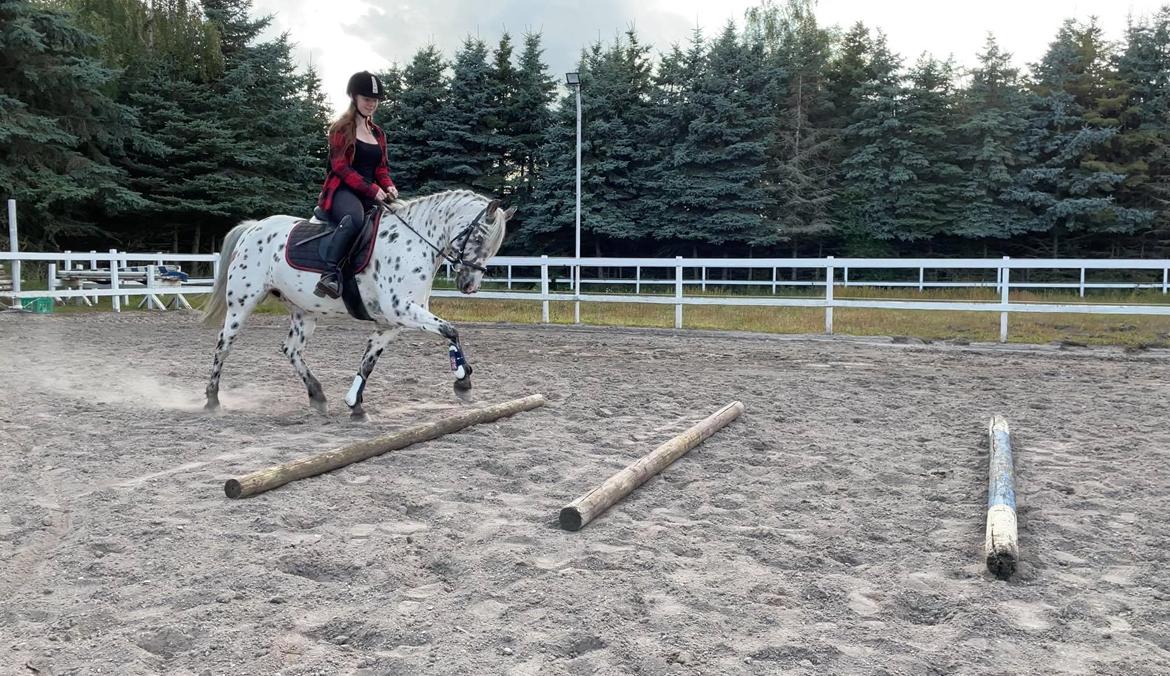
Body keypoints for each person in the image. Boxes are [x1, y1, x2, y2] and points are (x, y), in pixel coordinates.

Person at [313, 70, 399, 299]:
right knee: (355, 220)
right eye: (367, 99)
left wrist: (388, 185)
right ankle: (329, 275)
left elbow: (380, 168)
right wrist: (372, 189)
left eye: (375, 100)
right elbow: (340, 167)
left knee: (397, 221)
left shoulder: (378, 133)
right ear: (354, 97)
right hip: (342, 191)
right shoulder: (340, 128)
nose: (372, 104)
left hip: (370, 192)